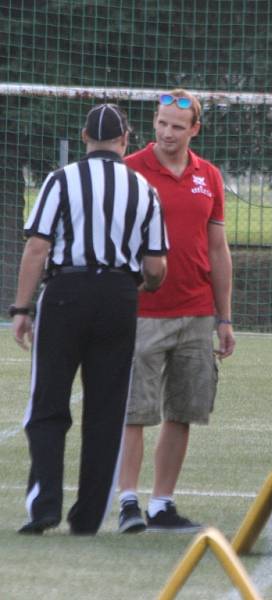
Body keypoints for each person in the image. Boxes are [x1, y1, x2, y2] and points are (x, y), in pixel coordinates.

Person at [12, 103, 167, 535]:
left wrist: (21, 308)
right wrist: (134, 286)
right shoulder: (144, 188)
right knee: (106, 409)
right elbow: (155, 267)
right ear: (126, 140)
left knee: (47, 403)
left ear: (84, 138)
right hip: (119, 296)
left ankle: (44, 506)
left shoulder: (60, 180)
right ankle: (89, 516)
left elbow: (37, 248)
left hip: (66, 293)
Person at [117, 89, 235, 533]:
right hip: (140, 311)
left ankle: (161, 504)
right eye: (161, 123)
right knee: (134, 411)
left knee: (183, 411)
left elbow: (218, 249)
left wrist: (224, 318)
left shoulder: (210, 176)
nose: (167, 133)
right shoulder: (129, 171)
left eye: (177, 126)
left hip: (197, 312)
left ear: (195, 130)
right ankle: (128, 502)